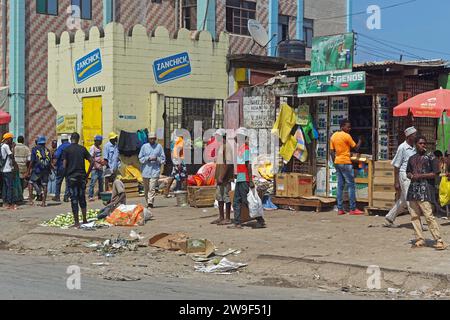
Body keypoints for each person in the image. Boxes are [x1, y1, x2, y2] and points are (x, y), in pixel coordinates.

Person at [406, 136, 447, 250]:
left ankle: (439, 240)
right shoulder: (412, 158)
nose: (423, 145)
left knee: (429, 216)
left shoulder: (431, 157)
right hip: (413, 190)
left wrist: (420, 176)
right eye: (420, 143)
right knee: (414, 216)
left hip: (425, 190)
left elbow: (435, 173)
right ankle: (420, 238)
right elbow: (407, 172)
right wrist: (410, 175)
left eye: (424, 143)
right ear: (416, 144)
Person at [229, 127, 266, 229]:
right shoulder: (240, 149)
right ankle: (237, 222)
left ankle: (260, 220)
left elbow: (248, 165)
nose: (237, 139)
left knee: (246, 201)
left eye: (238, 137)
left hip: (244, 179)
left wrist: (250, 180)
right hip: (240, 178)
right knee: (237, 200)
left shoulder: (245, 149)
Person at [384, 127, 418, 227]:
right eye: (414, 135)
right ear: (409, 136)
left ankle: (389, 218)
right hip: (404, 176)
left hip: (412, 176)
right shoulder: (402, 147)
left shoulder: (414, 147)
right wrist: (396, 181)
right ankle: (417, 223)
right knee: (410, 200)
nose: (416, 136)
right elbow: (396, 165)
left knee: (403, 201)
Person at [330, 119, 364, 215]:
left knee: (340, 186)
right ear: (342, 127)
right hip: (346, 162)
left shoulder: (333, 136)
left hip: (338, 162)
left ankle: (340, 209)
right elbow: (356, 148)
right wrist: (360, 140)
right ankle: (353, 208)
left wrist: (335, 162)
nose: (349, 128)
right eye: (348, 127)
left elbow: (332, 152)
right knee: (351, 185)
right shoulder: (347, 136)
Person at [63, 132, 94, 228]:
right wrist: (87, 174)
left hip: (72, 177)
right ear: (78, 139)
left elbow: (64, 164)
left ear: (71, 139)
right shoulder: (82, 149)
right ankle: (84, 219)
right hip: (82, 177)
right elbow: (92, 161)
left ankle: (76, 222)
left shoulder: (66, 150)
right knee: (82, 198)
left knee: (74, 199)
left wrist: (66, 175)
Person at [211, 129, 234, 225]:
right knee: (219, 197)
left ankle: (227, 218)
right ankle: (221, 217)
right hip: (220, 177)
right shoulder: (221, 147)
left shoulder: (227, 147)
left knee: (226, 197)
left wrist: (221, 176)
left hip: (225, 178)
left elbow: (227, 163)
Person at [138, 132, 165, 209]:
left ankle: (150, 203)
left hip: (155, 170)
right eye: (151, 139)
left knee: (152, 188)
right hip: (146, 170)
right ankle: (148, 201)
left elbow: (163, 159)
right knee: (146, 189)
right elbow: (140, 158)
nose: (152, 140)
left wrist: (157, 159)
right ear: (148, 139)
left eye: (154, 138)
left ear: (155, 139)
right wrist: (148, 158)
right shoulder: (144, 147)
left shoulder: (159, 147)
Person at [27, 136, 52, 207]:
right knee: (45, 185)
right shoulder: (47, 150)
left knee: (31, 182)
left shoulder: (34, 149)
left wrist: (28, 170)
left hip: (37, 170)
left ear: (38, 142)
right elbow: (49, 161)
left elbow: (32, 161)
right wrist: (49, 170)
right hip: (45, 170)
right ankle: (43, 202)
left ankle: (31, 201)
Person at [1, 133, 17, 210]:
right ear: (8, 139)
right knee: (10, 186)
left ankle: (5, 202)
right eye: (11, 138)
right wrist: (13, 148)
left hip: (3, 169)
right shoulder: (6, 146)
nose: (12, 140)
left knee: (5, 187)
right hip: (7, 169)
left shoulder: (2, 145)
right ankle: (10, 203)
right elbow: (11, 156)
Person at [53, 134, 71, 202]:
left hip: (61, 166)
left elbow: (56, 155)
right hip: (69, 167)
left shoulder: (61, 147)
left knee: (58, 181)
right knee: (68, 182)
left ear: (62, 140)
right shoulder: (71, 146)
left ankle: (57, 196)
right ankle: (66, 197)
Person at [88, 135, 104, 201]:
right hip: (95, 169)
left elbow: (99, 157)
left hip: (100, 168)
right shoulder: (93, 148)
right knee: (93, 182)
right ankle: (90, 196)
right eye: (100, 141)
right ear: (96, 141)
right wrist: (95, 165)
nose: (101, 142)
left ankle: (100, 195)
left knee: (101, 182)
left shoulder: (99, 148)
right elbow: (91, 158)